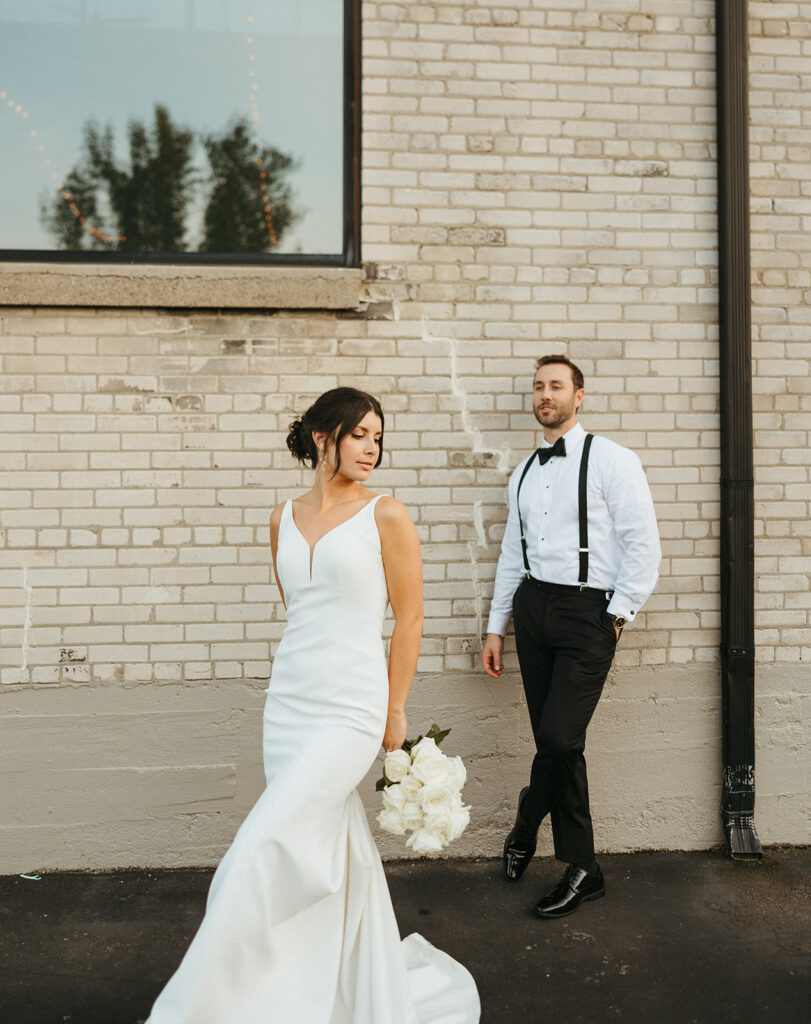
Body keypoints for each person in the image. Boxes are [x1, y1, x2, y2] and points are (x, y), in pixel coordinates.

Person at [146, 387, 480, 1023]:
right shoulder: (282, 517)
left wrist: (396, 709)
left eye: (378, 437)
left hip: (352, 707)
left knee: (262, 848)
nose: (372, 447)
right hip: (290, 705)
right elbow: (297, 612)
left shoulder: (387, 514)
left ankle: (204, 1006)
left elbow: (409, 618)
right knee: (325, 845)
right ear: (324, 437)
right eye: (360, 434)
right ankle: (329, 990)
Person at [481, 355, 661, 919]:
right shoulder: (523, 473)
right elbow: (513, 554)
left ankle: (531, 819)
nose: (545, 394)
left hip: (590, 613)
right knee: (561, 744)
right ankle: (583, 868)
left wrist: (617, 614)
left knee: (558, 739)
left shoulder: (612, 460)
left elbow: (643, 546)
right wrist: (496, 626)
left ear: (578, 396)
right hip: (534, 608)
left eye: (556, 385)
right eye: (538, 387)